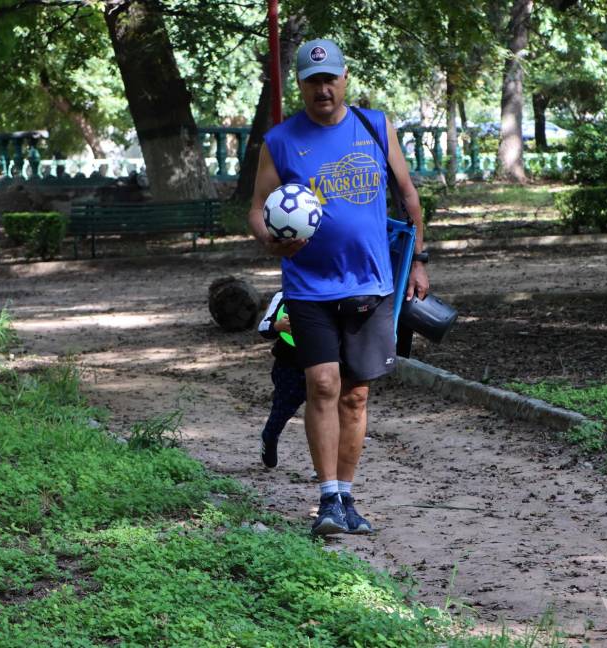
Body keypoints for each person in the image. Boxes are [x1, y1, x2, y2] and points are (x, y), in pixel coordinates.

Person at [247, 38, 429, 536]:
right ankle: (327, 498)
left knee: (356, 395)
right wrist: (268, 241)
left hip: (371, 282)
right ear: (301, 84)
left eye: (330, 79)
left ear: (345, 78)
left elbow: (409, 198)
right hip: (308, 286)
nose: (322, 88)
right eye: (312, 80)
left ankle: (347, 496)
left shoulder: (375, 125)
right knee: (322, 384)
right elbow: (257, 207)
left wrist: (419, 263)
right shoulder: (281, 141)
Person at [257, 291, 306, 469]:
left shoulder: (332, 291)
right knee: (282, 410)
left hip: (324, 363)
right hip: (289, 367)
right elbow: (263, 327)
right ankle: (270, 435)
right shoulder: (284, 294)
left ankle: (323, 466)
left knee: (326, 414)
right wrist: (277, 326)